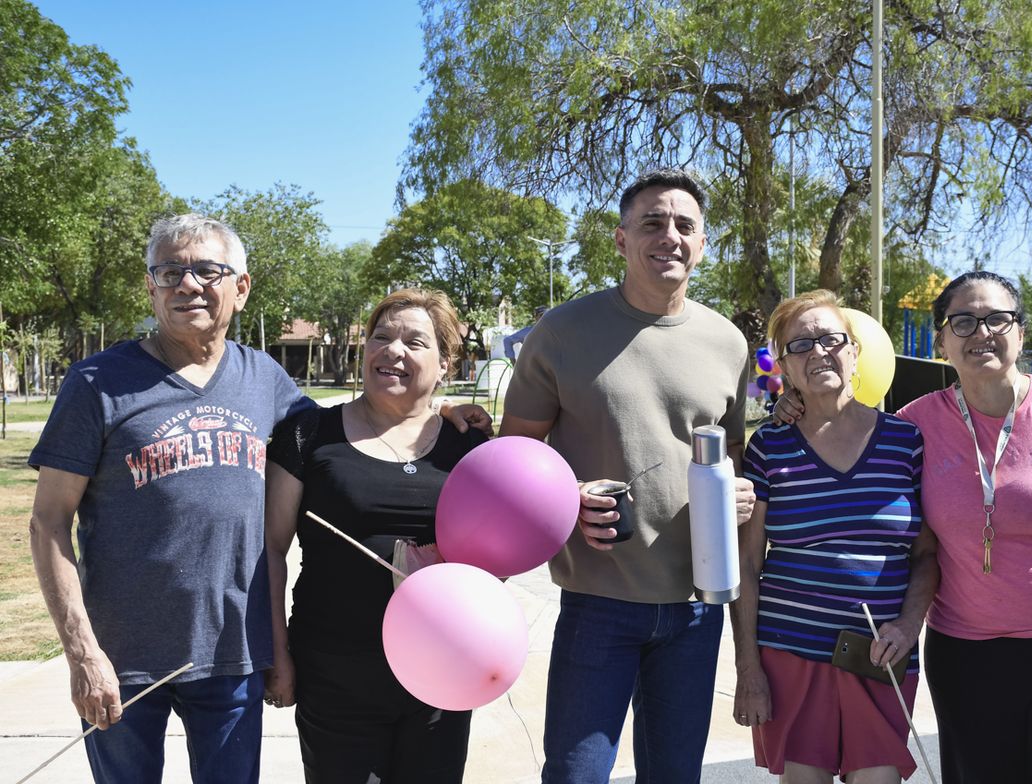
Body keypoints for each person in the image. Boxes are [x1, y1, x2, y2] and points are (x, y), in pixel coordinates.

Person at [27, 215, 489, 784]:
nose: (186, 285)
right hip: (122, 659)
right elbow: (48, 521)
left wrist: (439, 412)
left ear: (240, 288)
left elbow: (353, 428)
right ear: (150, 286)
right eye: (168, 271)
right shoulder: (95, 383)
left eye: (206, 271)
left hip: (233, 657)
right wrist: (81, 652)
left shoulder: (263, 377)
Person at [776, 270, 1032, 783]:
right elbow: (845, 426)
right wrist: (792, 404)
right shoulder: (914, 425)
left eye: (996, 319)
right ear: (941, 340)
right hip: (969, 655)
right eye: (963, 322)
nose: (980, 332)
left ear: (1022, 333)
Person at [500, 168, 755, 784]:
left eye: (684, 226)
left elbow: (735, 458)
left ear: (702, 244)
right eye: (652, 222)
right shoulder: (562, 332)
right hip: (599, 602)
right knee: (575, 774)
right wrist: (568, 495)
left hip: (697, 608)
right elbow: (514, 457)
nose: (669, 235)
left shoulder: (728, 342)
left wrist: (738, 494)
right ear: (620, 240)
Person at [262, 289, 487, 783]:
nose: (393, 350)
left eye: (415, 341)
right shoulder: (309, 433)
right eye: (381, 337)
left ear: (446, 362)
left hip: (441, 674)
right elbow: (272, 551)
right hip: (335, 671)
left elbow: (506, 540)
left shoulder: (469, 444)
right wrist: (277, 655)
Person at [732, 290, 933, 784]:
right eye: (799, 345)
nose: (817, 352)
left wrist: (908, 625)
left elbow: (927, 554)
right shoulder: (769, 447)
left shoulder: (906, 441)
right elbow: (747, 566)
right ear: (783, 367)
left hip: (880, 655)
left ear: (855, 350)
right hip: (790, 652)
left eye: (829, 339)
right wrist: (748, 669)